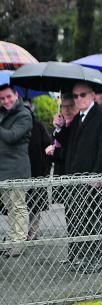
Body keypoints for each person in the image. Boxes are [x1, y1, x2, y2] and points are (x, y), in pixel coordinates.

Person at [54, 81, 102, 273]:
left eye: (83, 95)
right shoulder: (79, 117)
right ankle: (81, 257)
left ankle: (96, 260)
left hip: (94, 181)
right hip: (77, 180)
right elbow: (68, 143)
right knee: (79, 221)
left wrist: (98, 176)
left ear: (92, 95)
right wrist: (60, 126)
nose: (78, 99)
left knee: (94, 222)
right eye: (75, 96)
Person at [0, 83, 32, 257]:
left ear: (16, 95)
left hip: (17, 169)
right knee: (10, 207)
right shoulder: (4, 113)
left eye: (8, 97)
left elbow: (12, 137)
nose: (5, 101)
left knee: (18, 207)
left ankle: (18, 244)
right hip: (4, 170)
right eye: (2, 98)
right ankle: (12, 240)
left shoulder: (24, 114)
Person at [24, 99, 52, 241]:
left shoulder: (38, 126)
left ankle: (32, 231)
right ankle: (23, 232)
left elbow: (47, 146)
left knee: (34, 205)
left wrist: (45, 169)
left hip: (37, 172)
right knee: (21, 205)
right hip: (22, 172)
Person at [45, 93, 78, 175]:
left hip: (72, 174)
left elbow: (73, 153)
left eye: (70, 106)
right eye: (64, 106)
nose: (67, 110)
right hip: (58, 173)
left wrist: (54, 152)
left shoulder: (79, 125)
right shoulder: (59, 125)